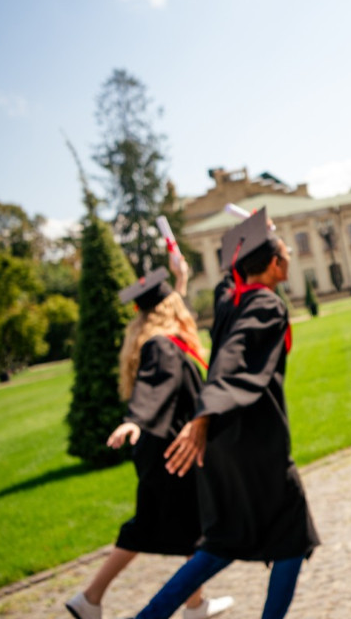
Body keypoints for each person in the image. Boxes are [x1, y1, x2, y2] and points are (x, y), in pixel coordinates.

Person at [131, 210, 319, 619]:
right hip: (254, 442)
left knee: (221, 542)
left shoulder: (228, 299)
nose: (287, 258)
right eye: (283, 253)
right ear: (273, 266)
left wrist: (255, 235)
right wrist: (203, 416)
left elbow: (229, 279)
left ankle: (147, 617)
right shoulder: (265, 305)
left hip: (222, 444)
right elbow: (234, 358)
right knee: (293, 534)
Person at [66, 264, 233, 619]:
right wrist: (135, 420)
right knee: (194, 528)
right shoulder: (162, 346)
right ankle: (191, 607)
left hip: (162, 450)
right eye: (179, 301)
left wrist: (181, 279)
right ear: (171, 309)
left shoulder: (159, 340)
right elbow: (153, 388)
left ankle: (92, 599)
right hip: (172, 452)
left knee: (152, 528)